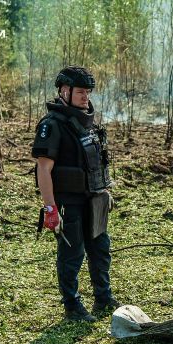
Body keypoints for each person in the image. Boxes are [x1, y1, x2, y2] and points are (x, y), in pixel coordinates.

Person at [31, 65, 120, 322]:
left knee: (100, 249)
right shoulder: (52, 125)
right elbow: (44, 169)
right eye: (80, 91)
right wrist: (50, 208)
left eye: (88, 92)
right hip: (68, 201)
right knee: (72, 254)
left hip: (94, 198)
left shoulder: (89, 123)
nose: (85, 97)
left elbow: (97, 162)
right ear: (64, 91)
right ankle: (72, 306)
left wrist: (105, 191)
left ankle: (103, 298)